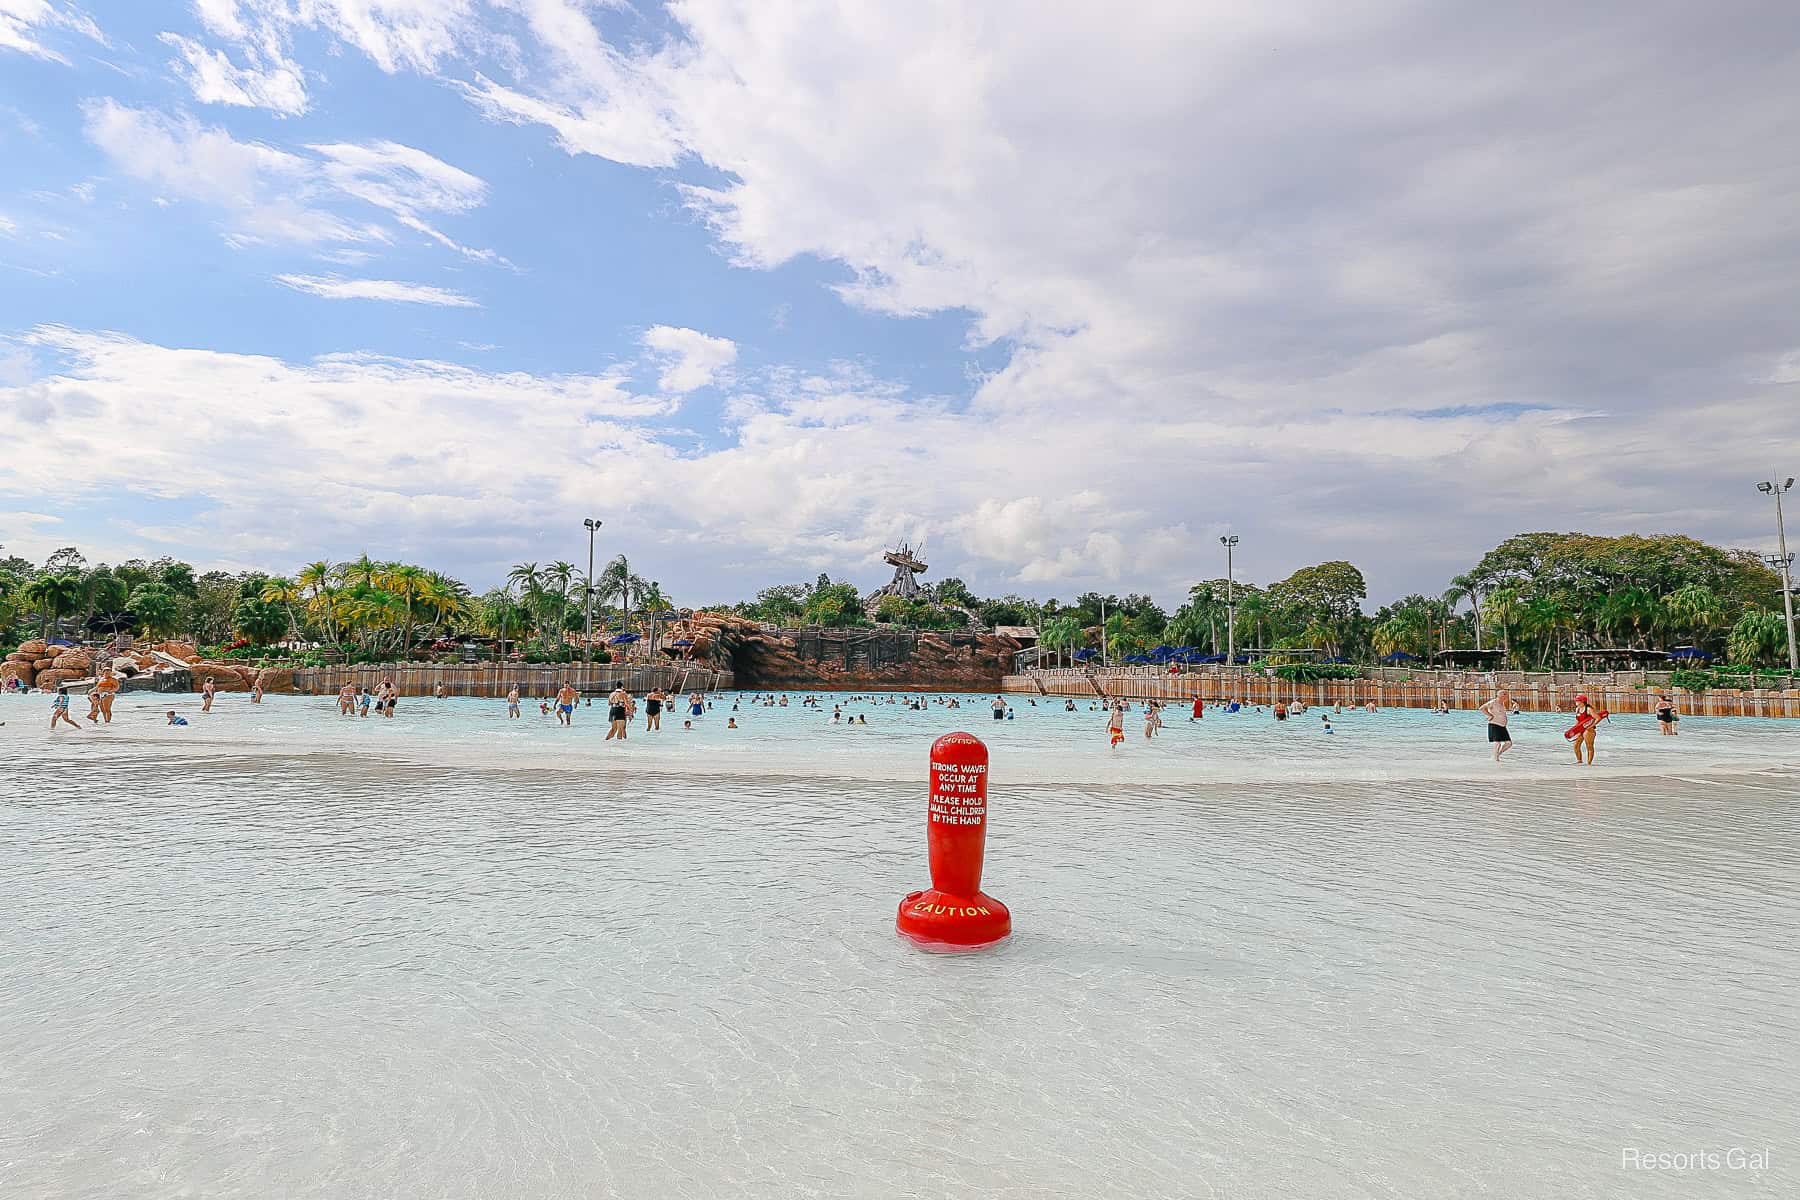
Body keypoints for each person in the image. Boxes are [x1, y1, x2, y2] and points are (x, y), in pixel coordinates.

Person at [1479, 688, 1517, 761]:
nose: (1507, 697)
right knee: (1498, 743)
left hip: (1502, 727)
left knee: (1508, 743)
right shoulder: (1493, 702)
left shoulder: (1501, 704)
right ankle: (1495, 759)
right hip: (1494, 724)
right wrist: (1489, 715)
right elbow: (1482, 708)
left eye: (1507, 695)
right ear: (1500, 695)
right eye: (1505, 695)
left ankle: (1496, 755)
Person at [1568, 694, 1608, 764]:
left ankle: (1589, 764)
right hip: (1580, 729)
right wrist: (1575, 730)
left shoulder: (1589, 709)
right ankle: (1579, 761)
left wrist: (1591, 726)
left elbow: (1598, 718)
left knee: (1589, 746)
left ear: (1582, 701)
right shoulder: (1577, 709)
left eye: (1577, 700)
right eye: (1576, 700)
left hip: (1589, 730)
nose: (1576, 702)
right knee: (1576, 746)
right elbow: (1577, 720)